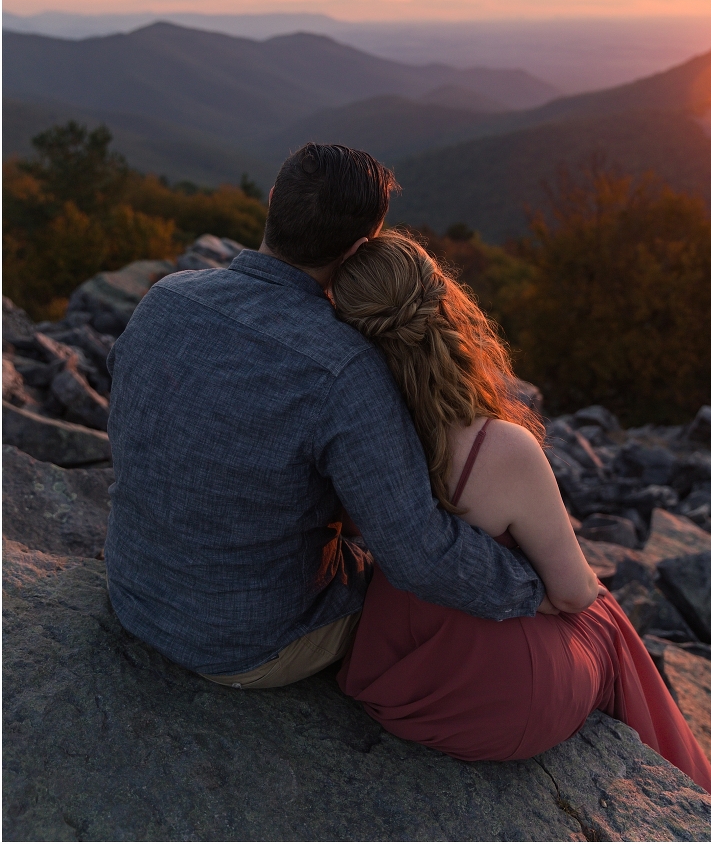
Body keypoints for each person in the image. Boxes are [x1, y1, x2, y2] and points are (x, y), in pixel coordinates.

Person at [104, 143, 548, 690]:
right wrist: (533, 587)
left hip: (133, 594)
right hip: (250, 646)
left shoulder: (166, 298)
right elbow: (420, 558)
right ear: (362, 249)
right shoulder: (344, 367)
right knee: (403, 582)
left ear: (273, 201)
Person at [332, 229, 711, 805]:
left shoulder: (349, 433)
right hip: (505, 703)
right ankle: (700, 805)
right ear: (444, 309)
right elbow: (571, 594)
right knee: (607, 620)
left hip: (396, 678)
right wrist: (540, 592)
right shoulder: (499, 448)